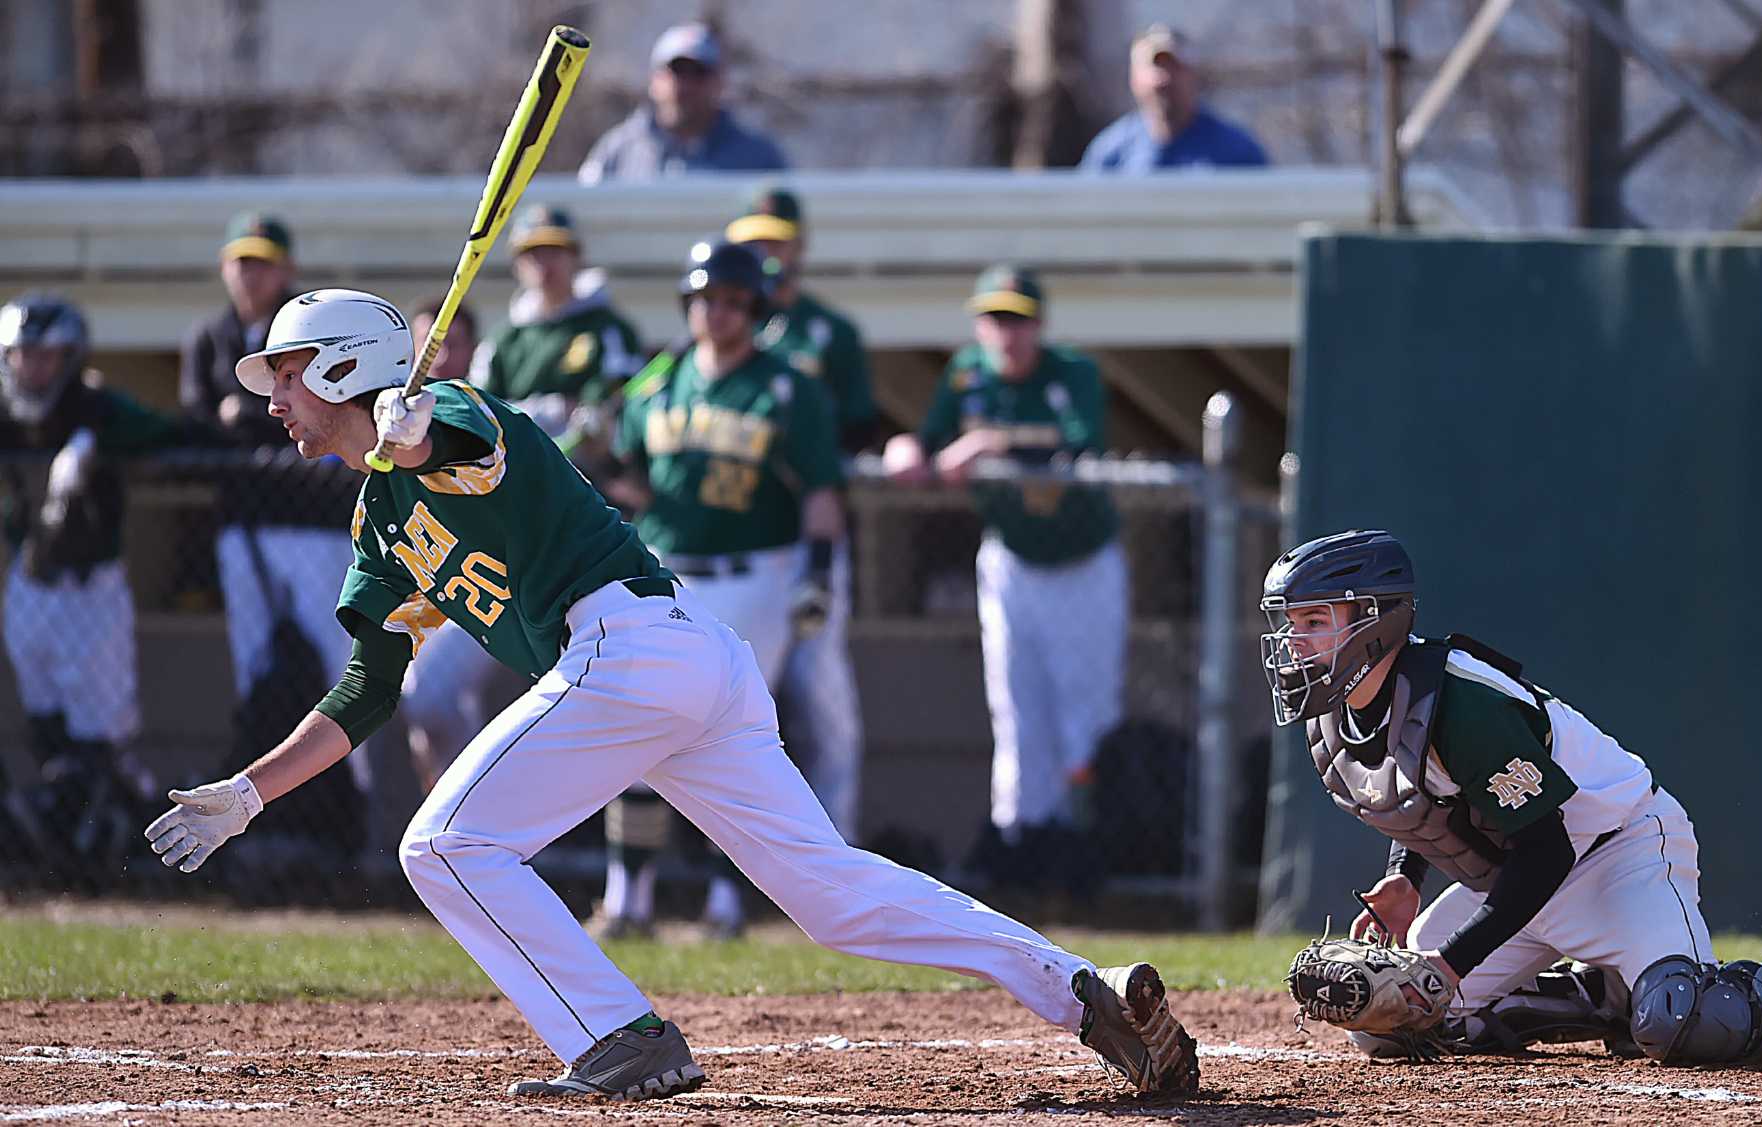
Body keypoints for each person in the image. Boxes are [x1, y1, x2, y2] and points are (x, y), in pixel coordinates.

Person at [140, 286, 1198, 1102]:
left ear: (344, 367)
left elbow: (450, 442)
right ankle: (1084, 989)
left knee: (444, 843)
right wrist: (248, 790)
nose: (270, 401)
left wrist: (410, 434)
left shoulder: (449, 412)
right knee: (831, 895)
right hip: (681, 661)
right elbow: (372, 684)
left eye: (285, 375)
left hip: (631, 645)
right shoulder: (376, 520)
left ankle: (618, 1033)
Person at [1264, 529, 1762, 1062]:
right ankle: (1605, 995)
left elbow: (1547, 850)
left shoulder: (1462, 702)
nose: (1296, 643)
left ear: (1375, 620)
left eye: (1315, 620)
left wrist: (1450, 961)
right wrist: (1405, 877)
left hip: (1618, 852)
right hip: (1514, 882)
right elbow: (1416, 798)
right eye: (1293, 624)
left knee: (1685, 1019)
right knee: (1388, 1024)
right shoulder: (1340, 712)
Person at [588, 240, 841, 940]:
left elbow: (821, 489)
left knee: (733, 739)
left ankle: (728, 904)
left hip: (757, 570)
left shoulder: (786, 385)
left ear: (754, 309)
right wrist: (586, 451)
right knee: (641, 730)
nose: (718, 312)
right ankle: (627, 898)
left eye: (733, 301)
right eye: (706, 299)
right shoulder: (656, 382)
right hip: (667, 571)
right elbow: (627, 475)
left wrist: (818, 570)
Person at [881, 266, 1125, 887]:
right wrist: (906, 446)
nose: (1006, 334)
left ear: (1039, 325)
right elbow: (932, 442)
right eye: (995, 319)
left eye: (1018, 320)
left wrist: (990, 444)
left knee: (1086, 711)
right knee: (1016, 706)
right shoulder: (966, 375)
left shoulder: (1073, 374)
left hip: (1082, 563)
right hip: (1013, 559)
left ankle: (1085, 841)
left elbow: (1077, 448)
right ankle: (1023, 837)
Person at [179, 213, 369, 857]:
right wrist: (239, 426)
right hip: (244, 527)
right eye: (240, 262)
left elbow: (324, 418)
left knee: (345, 667)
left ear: (287, 271)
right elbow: (200, 424)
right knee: (256, 666)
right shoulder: (210, 337)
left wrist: (251, 428)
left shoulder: (306, 332)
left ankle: (355, 812)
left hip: (313, 528)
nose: (249, 276)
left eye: (262, 263)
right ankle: (259, 819)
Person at [0, 293, 187, 883]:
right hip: (27, 584)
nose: (31, 369)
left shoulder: (96, 409)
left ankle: (117, 842)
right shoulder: (5, 413)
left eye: (44, 357)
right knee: (43, 713)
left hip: (92, 585)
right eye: (20, 357)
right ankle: (59, 834)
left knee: (100, 729)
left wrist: (92, 446)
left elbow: (170, 432)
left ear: (71, 358)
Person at [727, 185, 876, 839]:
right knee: (740, 704)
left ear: (799, 248)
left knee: (821, 696)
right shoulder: (734, 330)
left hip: (809, 536)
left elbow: (860, 429)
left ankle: (836, 843)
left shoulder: (830, 332)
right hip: (746, 536)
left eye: (777, 241)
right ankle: (749, 858)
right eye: (755, 241)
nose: (766, 253)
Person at [393, 299, 522, 792]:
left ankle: (475, 817)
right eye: (430, 345)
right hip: (422, 585)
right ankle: (456, 822)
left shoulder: (483, 414)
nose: (441, 355)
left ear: (474, 350)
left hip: (491, 585)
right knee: (421, 708)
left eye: (452, 343)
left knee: (431, 694)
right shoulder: (389, 421)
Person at [468, 205, 641, 472]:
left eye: (554, 252)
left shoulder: (608, 328)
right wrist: (553, 410)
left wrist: (591, 415)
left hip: (592, 477)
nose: (544, 265)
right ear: (517, 265)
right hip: (518, 472)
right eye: (533, 254)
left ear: (576, 258)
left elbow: (622, 398)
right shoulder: (503, 341)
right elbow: (482, 410)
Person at [577, 22, 787, 183]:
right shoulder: (617, 151)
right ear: (654, 79)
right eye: (677, 71)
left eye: (699, 73)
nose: (686, 85)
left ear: (720, 82)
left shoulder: (758, 157)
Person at [1077, 25, 1267, 173]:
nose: (1164, 79)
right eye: (1155, 68)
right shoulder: (1111, 154)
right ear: (1133, 79)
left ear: (1193, 75)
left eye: (1174, 68)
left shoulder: (1236, 150)